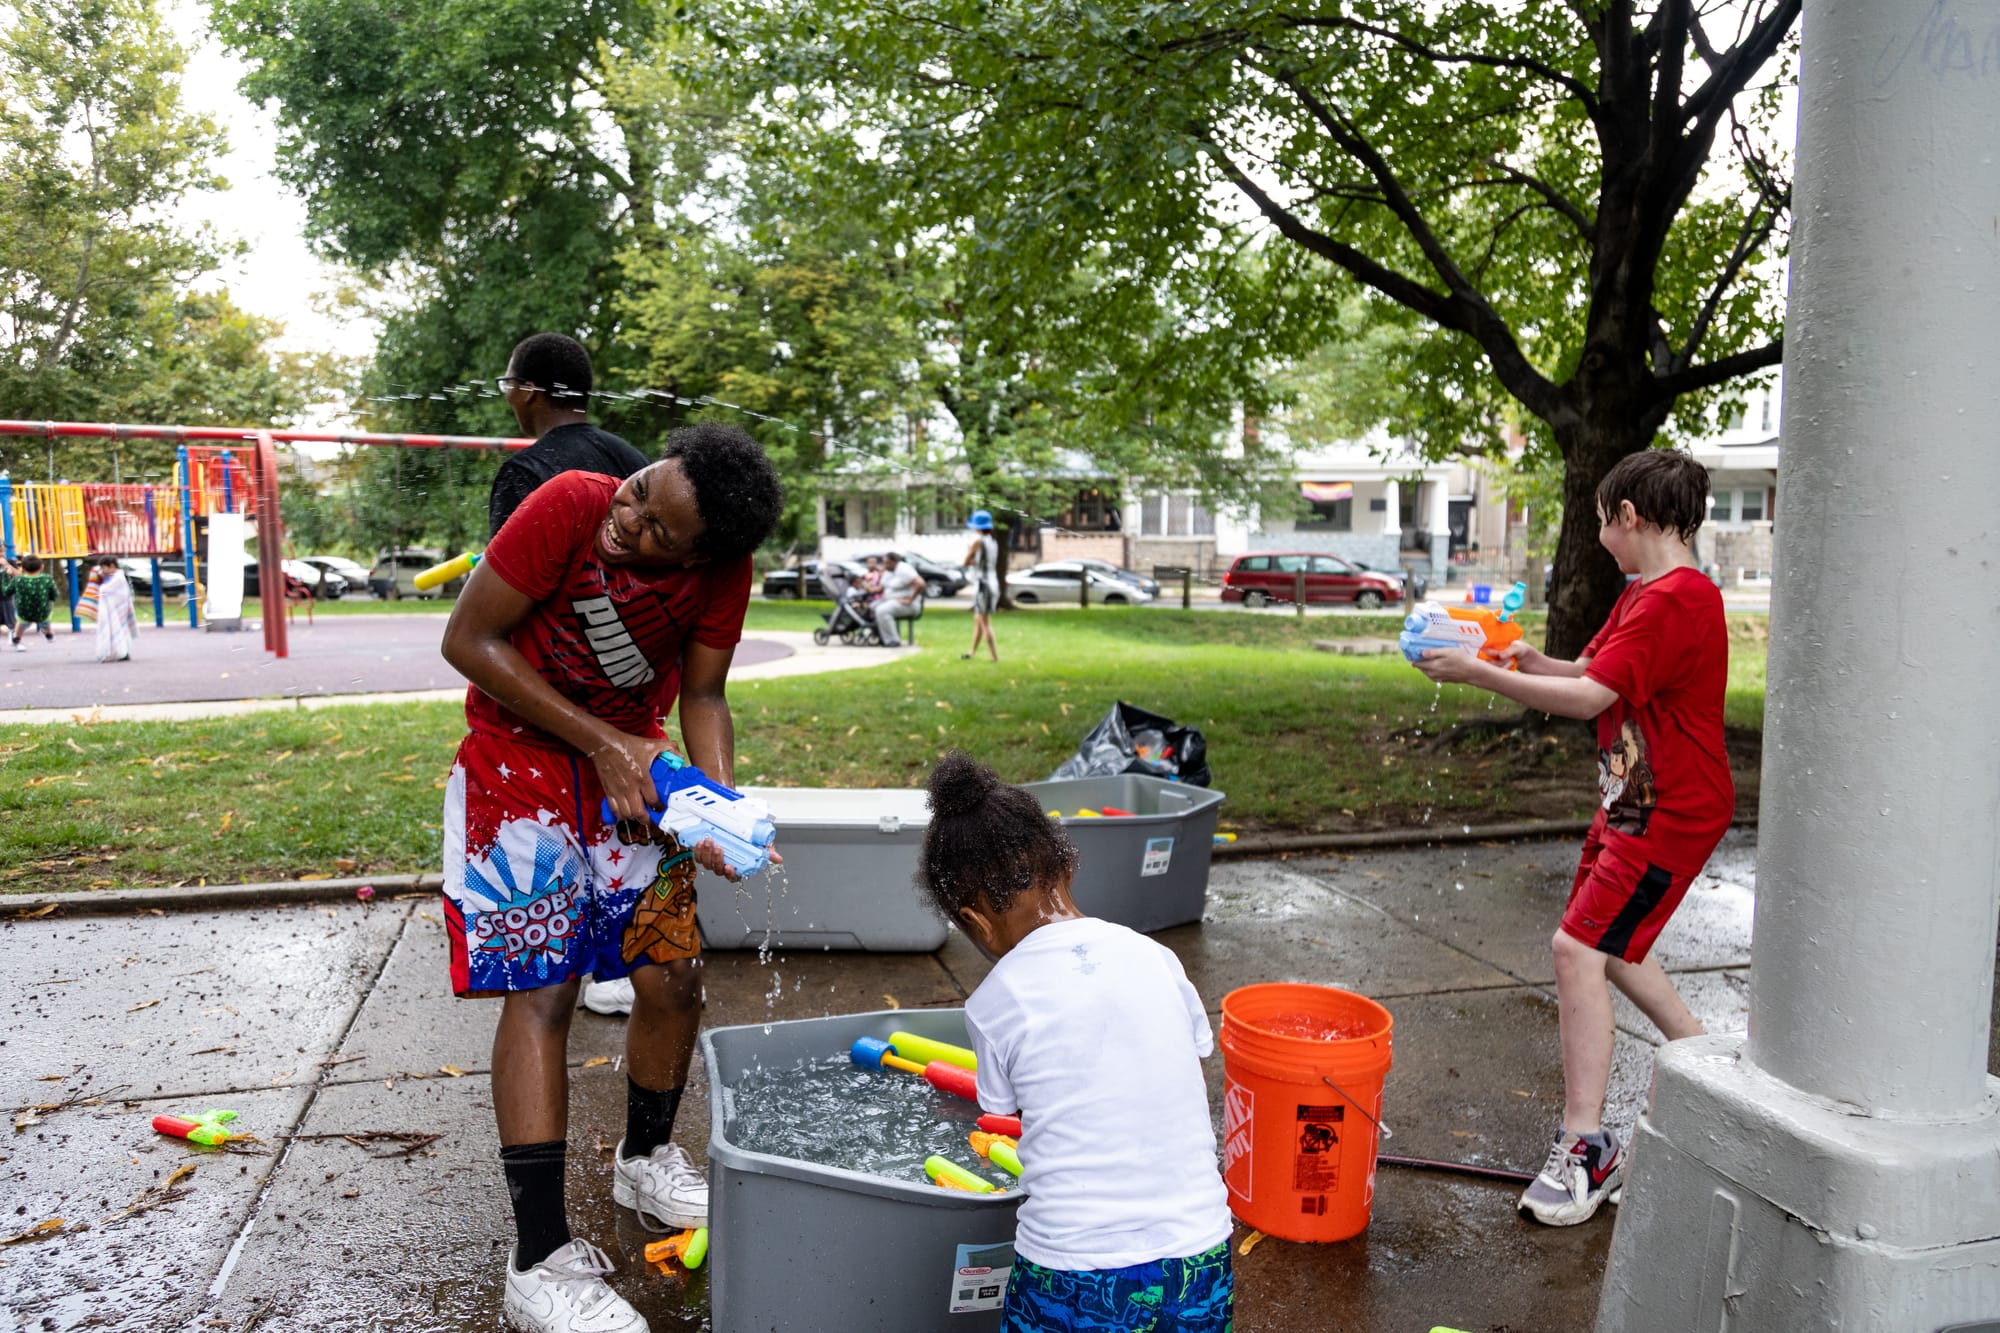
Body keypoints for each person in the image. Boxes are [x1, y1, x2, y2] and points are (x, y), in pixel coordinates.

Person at [439, 422, 784, 1333]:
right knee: (546, 993)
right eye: (640, 490)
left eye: (660, 530)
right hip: (521, 766)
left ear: (704, 554)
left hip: (636, 773)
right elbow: (467, 639)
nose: (628, 521)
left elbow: (702, 695)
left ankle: (644, 1158)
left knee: (673, 974)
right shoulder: (568, 505)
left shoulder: (722, 572)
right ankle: (538, 1257)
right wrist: (600, 742)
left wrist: (714, 808)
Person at [1413, 449, 1730, 1227]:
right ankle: (1706, 1057)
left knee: (1576, 948)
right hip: (1634, 801)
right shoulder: (1648, 594)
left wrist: (1479, 677)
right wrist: (1527, 659)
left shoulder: (1674, 602)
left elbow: (1590, 698)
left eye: (1601, 520)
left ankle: (1587, 1145)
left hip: (1670, 810)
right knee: (1612, 945)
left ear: (1629, 516)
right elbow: (1593, 668)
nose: (1599, 535)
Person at [917, 750, 1234, 1331]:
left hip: (1073, 1268)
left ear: (976, 922)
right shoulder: (1157, 957)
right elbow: (1184, 1055)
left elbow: (999, 1111)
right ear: (1065, 866)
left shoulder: (994, 1003)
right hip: (1200, 1252)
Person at [488, 332, 652, 537]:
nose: (508, 395)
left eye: (507, 384)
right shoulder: (637, 463)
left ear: (528, 390)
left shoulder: (524, 472)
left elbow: (504, 567)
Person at [961, 510, 1000, 662]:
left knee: (984, 621)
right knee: (978, 618)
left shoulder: (978, 541)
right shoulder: (993, 542)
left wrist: (970, 557)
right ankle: (971, 652)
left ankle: (994, 657)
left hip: (982, 585)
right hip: (992, 582)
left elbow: (966, 561)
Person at [871, 551, 922, 648]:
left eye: (887, 563)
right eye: (884, 563)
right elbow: (880, 588)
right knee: (872, 607)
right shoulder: (888, 572)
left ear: (894, 561)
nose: (884, 565)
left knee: (882, 610)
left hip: (909, 605)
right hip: (891, 601)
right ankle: (881, 637)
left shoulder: (904, 569)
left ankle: (893, 640)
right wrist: (865, 587)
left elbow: (921, 584)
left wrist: (910, 600)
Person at [8, 556, 58, 649]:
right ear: (41, 567)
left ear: (22, 568)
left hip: (24, 612)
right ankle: (49, 633)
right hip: (42, 611)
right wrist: (50, 598)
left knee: (21, 623)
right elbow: (55, 594)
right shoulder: (47, 579)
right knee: (45, 621)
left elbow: (7, 591)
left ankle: (17, 638)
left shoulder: (18, 580)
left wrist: (5, 576)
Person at [93, 556, 137, 663]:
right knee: (120, 630)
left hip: (117, 611)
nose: (103, 571)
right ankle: (121, 652)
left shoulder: (118, 578)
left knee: (117, 630)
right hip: (118, 610)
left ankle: (121, 652)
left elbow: (105, 590)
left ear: (112, 566)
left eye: (104, 568)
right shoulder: (115, 577)